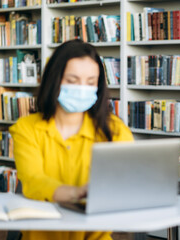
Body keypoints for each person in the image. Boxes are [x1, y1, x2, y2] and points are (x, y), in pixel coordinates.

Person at [9, 39, 133, 240]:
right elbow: (33, 181)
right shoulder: (26, 129)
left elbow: (128, 184)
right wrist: (79, 193)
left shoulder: (115, 131)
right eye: (72, 81)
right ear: (54, 81)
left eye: (91, 82)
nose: (82, 88)